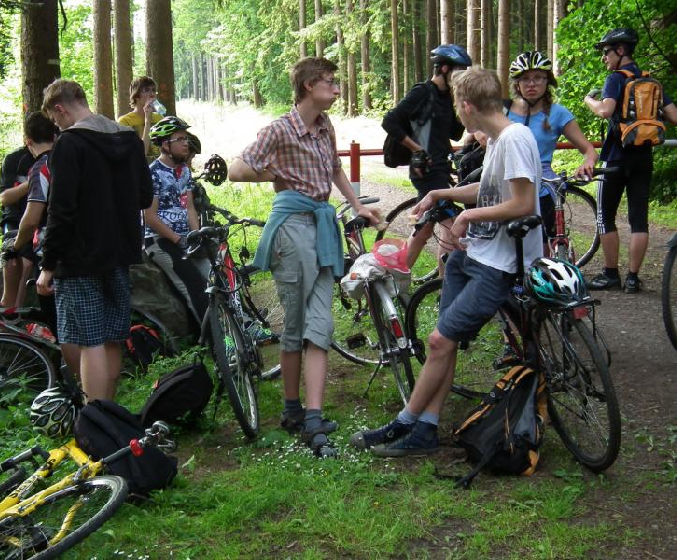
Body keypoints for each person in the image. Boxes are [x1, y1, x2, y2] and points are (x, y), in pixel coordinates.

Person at [352, 67, 542, 457]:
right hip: (473, 254)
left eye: (458, 106)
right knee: (445, 342)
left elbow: (523, 203)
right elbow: (489, 191)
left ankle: (404, 423)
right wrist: (441, 192)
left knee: (439, 340)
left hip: (501, 264)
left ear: (467, 105)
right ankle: (425, 430)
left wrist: (468, 217)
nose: (458, 114)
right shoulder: (498, 140)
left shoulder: (516, 139)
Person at [229, 56, 378, 458]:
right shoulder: (279, 129)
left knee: (321, 321)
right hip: (291, 227)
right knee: (295, 321)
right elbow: (237, 170)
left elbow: (334, 169)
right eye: (331, 81)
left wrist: (356, 204)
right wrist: (278, 175)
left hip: (320, 226)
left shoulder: (325, 126)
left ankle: (311, 415)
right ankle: (293, 409)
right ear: (310, 85)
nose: (336, 88)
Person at [37, 79, 153, 402]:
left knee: (91, 341)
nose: (57, 126)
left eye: (55, 119)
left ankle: (95, 419)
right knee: (113, 337)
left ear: (60, 108)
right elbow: (145, 195)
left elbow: (60, 211)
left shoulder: (70, 144)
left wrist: (47, 266)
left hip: (80, 258)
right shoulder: (128, 138)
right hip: (121, 252)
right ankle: (111, 413)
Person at [583, 28, 677, 293]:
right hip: (643, 157)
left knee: (605, 217)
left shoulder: (615, 79)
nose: (604, 58)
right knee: (639, 220)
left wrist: (589, 100)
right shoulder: (651, 81)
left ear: (620, 51)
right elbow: (674, 116)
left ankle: (611, 274)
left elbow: (605, 110)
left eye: (606, 52)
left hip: (615, 157)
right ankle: (634, 278)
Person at [3, 111, 82, 376]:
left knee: (64, 328)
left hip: (54, 252)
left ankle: (77, 387)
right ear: (55, 134)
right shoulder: (72, 160)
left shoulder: (42, 167)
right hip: (86, 244)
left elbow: (31, 216)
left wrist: (15, 245)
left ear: (28, 141)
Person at [382, 44, 472, 273]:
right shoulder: (422, 92)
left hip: (442, 168)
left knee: (425, 231)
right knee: (452, 228)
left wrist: (463, 105)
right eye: (459, 71)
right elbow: (389, 121)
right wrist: (416, 150)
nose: (462, 76)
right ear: (443, 68)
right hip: (427, 171)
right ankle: (447, 287)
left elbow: (454, 133)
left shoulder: (448, 96)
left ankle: (396, 281)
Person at [507, 51, 598, 252]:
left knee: (543, 243)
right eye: (525, 79)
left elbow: (588, 149)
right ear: (517, 84)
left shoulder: (558, 113)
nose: (531, 84)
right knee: (509, 243)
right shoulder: (504, 110)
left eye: (538, 78)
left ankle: (544, 279)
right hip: (508, 181)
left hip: (542, 184)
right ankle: (514, 283)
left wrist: (587, 163)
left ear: (547, 81)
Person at [142, 116, 210, 333]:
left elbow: (189, 207)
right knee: (195, 287)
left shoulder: (184, 171)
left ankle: (243, 325)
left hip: (185, 237)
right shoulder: (152, 173)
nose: (185, 143)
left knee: (217, 275)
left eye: (185, 139)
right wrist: (177, 239)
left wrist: (196, 235)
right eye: (179, 139)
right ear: (165, 145)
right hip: (160, 240)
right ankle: (218, 342)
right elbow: (149, 216)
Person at [0, 145, 36, 307]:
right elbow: (5, 199)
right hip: (18, 218)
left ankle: (15, 310)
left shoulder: (60, 155)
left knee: (27, 260)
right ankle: (9, 306)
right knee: (16, 257)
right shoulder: (15, 159)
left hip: (44, 219)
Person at [117, 76, 164, 163]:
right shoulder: (125, 121)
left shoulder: (159, 118)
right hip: (139, 171)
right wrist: (147, 121)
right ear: (136, 96)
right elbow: (140, 155)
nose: (152, 94)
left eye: (153, 90)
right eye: (146, 90)